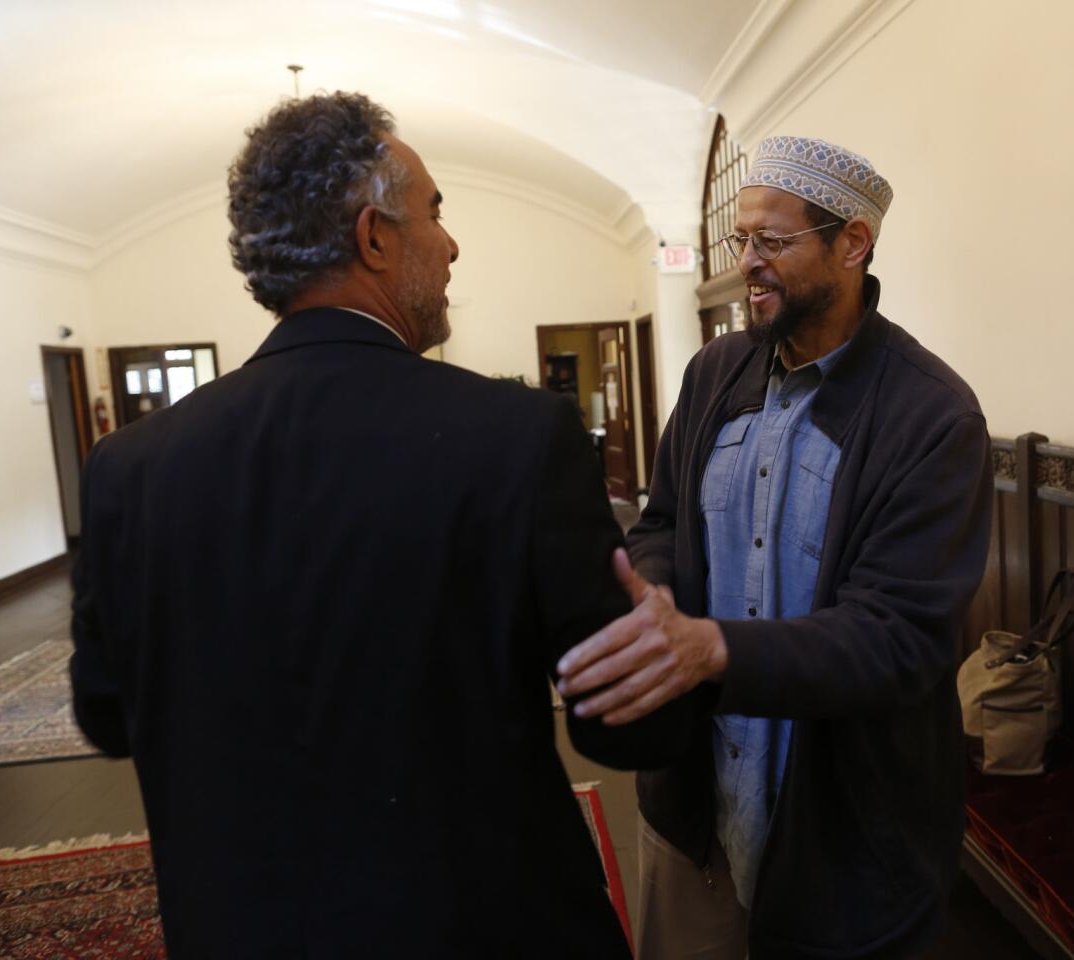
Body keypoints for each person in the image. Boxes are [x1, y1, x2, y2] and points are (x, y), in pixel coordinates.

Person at [69, 91, 690, 958]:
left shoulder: (127, 469)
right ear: (374, 237)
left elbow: (106, 714)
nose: (451, 243)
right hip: (483, 927)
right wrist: (670, 645)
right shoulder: (518, 437)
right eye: (435, 213)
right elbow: (625, 724)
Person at [556, 136, 994, 958]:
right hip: (698, 813)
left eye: (772, 242)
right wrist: (655, 596)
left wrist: (712, 650)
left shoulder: (932, 416)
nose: (747, 263)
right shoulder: (715, 371)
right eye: (741, 240)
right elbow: (662, 524)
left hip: (845, 835)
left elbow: (897, 639)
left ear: (853, 244)